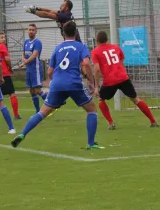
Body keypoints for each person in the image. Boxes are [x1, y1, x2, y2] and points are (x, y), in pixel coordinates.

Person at [11, 21, 102, 150]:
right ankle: (91, 143)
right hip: (74, 83)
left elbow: (49, 71)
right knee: (91, 110)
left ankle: (22, 133)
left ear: (63, 33)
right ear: (76, 32)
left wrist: (54, 84)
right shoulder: (81, 46)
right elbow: (86, 64)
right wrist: (92, 84)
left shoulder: (57, 48)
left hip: (57, 84)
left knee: (43, 112)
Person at [91, 31, 158, 129]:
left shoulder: (95, 51)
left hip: (110, 80)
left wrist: (96, 86)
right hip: (123, 77)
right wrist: (124, 74)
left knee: (101, 98)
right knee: (135, 99)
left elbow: (96, 69)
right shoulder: (116, 47)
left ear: (97, 40)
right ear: (107, 39)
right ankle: (153, 121)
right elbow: (121, 62)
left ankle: (111, 123)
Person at [0, 32, 21, 120]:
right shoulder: (2, 46)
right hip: (4, 73)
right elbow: (7, 59)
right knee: (12, 93)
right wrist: (10, 68)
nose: (4, 39)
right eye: (1, 37)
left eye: (4, 37)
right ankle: (16, 115)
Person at [17, 24, 48, 112]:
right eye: (29, 29)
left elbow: (34, 56)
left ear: (36, 31)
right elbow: (23, 53)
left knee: (38, 90)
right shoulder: (26, 42)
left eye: (33, 30)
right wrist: (23, 58)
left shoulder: (37, 42)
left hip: (36, 69)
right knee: (31, 91)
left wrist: (23, 63)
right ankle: (38, 110)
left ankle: (52, 104)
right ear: (27, 31)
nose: (31, 31)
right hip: (29, 70)